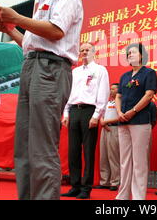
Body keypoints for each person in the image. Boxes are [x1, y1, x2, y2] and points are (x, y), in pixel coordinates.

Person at [0, 0, 83, 200]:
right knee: (24, 146)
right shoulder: (41, 1)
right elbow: (31, 44)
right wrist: (10, 29)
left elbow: (55, 32)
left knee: (42, 146)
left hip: (51, 70)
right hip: (32, 66)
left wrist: (18, 18)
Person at [61, 43, 110, 199]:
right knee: (73, 151)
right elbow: (69, 93)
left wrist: (96, 115)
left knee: (88, 151)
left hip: (90, 111)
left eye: (87, 50)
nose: (84, 52)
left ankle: (86, 188)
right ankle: (75, 185)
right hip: (74, 110)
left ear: (94, 52)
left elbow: (103, 93)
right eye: (82, 50)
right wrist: (66, 113)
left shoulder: (100, 70)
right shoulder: (75, 72)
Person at [115, 43, 157, 200]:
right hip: (123, 121)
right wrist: (120, 112)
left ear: (141, 55)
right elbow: (118, 96)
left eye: (132, 53)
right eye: (128, 54)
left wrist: (132, 111)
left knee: (139, 162)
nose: (129, 56)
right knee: (124, 161)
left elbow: (148, 95)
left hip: (139, 121)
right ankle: (123, 196)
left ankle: (139, 197)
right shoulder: (125, 76)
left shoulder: (149, 73)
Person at [96, 83, 121, 191]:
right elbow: (101, 114)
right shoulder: (107, 102)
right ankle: (104, 181)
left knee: (113, 156)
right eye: (110, 89)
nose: (111, 91)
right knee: (104, 156)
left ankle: (115, 182)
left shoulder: (120, 102)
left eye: (113, 89)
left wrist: (106, 122)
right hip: (104, 129)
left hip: (114, 129)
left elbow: (121, 117)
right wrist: (102, 122)